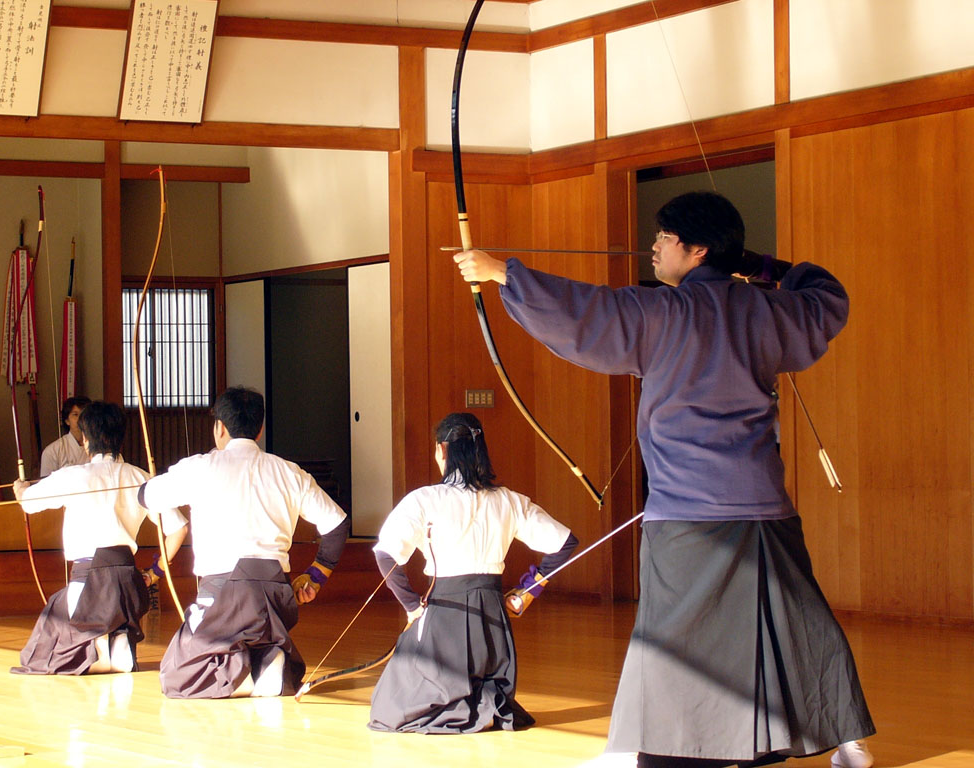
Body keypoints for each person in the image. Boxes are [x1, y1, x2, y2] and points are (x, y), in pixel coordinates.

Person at [454, 191, 875, 768]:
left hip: (688, 510)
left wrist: (502, 272)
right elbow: (826, 294)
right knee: (795, 620)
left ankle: (650, 750)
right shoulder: (767, 310)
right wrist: (759, 266)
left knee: (671, 638)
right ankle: (842, 737)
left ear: (697, 250)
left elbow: (588, 311)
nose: (653, 247)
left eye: (665, 237)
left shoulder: (663, 312)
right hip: (762, 501)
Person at [368, 412, 578, 733]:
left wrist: (412, 607)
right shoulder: (509, 500)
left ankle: (464, 709)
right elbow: (565, 542)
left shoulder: (424, 500)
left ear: (442, 450)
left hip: (444, 615)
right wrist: (528, 591)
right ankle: (486, 704)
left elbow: (385, 555)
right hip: (492, 620)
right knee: (479, 678)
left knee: (388, 706)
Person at [138, 387, 350, 699]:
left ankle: (245, 679)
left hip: (221, 594)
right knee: (253, 635)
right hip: (275, 596)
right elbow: (338, 524)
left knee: (175, 674)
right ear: (259, 430)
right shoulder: (289, 472)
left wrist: (149, 484)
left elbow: (146, 497)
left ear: (219, 428)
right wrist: (316, 576)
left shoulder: (200, 467)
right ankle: (268, 660)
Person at [12, 400, 187, 675]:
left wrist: (20, 490)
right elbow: (179, 529)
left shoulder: (74, 476)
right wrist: (154, 573)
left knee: (43, 652)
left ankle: (99, 651)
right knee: (98, 615)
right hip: (128, 586)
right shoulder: (140, 477)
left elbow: (28, 503)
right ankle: (117, 640)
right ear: (120, 437)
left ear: (85, 439)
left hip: (87, 583)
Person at [40, 395, 92, 476]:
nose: (81, 419)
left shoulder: (99, 447)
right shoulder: (52, 451)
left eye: (84, 414)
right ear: (67, 420)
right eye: (75, 414)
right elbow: (46, 482)